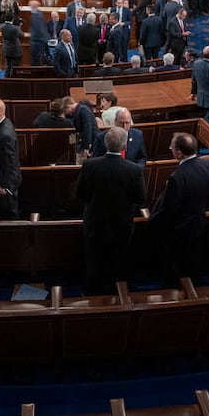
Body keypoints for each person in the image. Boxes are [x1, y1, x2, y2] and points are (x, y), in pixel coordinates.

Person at [77, 126, 146, 295]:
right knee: (119, 262)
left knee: (94, 262)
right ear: (124, 147)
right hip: (121, 225)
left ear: (105, 144)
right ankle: (119, 294)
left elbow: (80, 193)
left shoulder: (89, 165)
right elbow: (140, 199)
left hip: (95, 223)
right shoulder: (134, 169)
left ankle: (92, 295)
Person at [149, 132, 209, 285]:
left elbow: (168, 209)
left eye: (172, 146)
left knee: (176, 267)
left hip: (178, 231)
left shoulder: (177, 178)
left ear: (179, 153)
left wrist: (151, 222)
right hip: (199, 224)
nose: (170, 148)